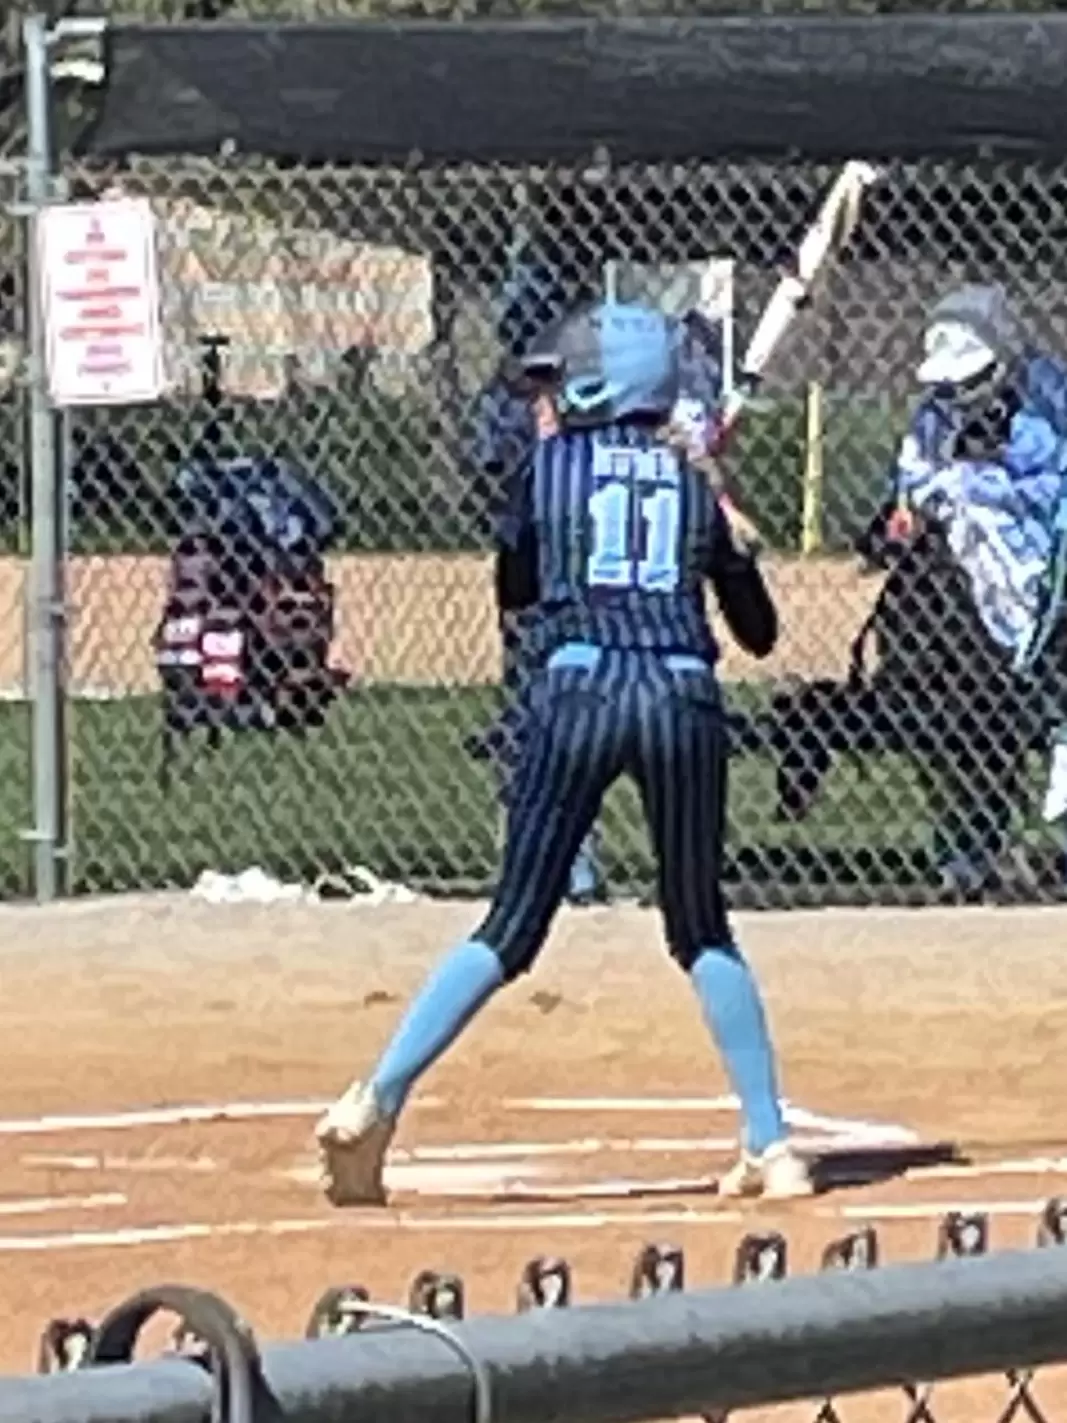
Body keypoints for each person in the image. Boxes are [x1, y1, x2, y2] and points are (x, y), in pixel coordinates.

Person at [316, 301, 811, 1205]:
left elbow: (516, 588)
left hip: (578, 687)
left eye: (557, 384)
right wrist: (727, 538)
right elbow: (758, 634)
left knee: (512, 924)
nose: (542, 400)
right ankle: (771, 1145)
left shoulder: (544, 469)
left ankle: (374, 1100)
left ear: (596, 389)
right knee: (700, 926)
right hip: (681, 695)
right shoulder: (693, 483)